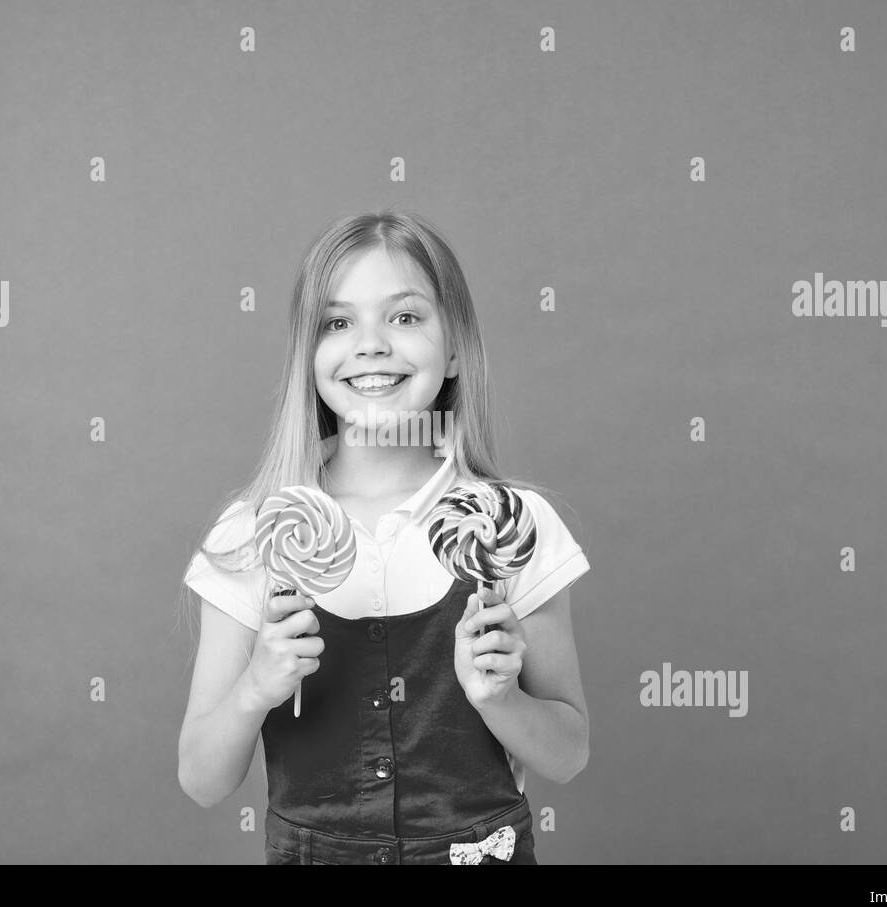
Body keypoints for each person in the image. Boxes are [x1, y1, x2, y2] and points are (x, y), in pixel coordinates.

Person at [177, 210, 590, 864]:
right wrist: (256, 685)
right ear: (309, 356)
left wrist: (503, 699)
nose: (370, 344)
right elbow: (201, 778)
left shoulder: (508, 525)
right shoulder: (258, 532)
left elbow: (568, 753)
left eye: (404, 316)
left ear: (453, 346)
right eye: (338, 322)